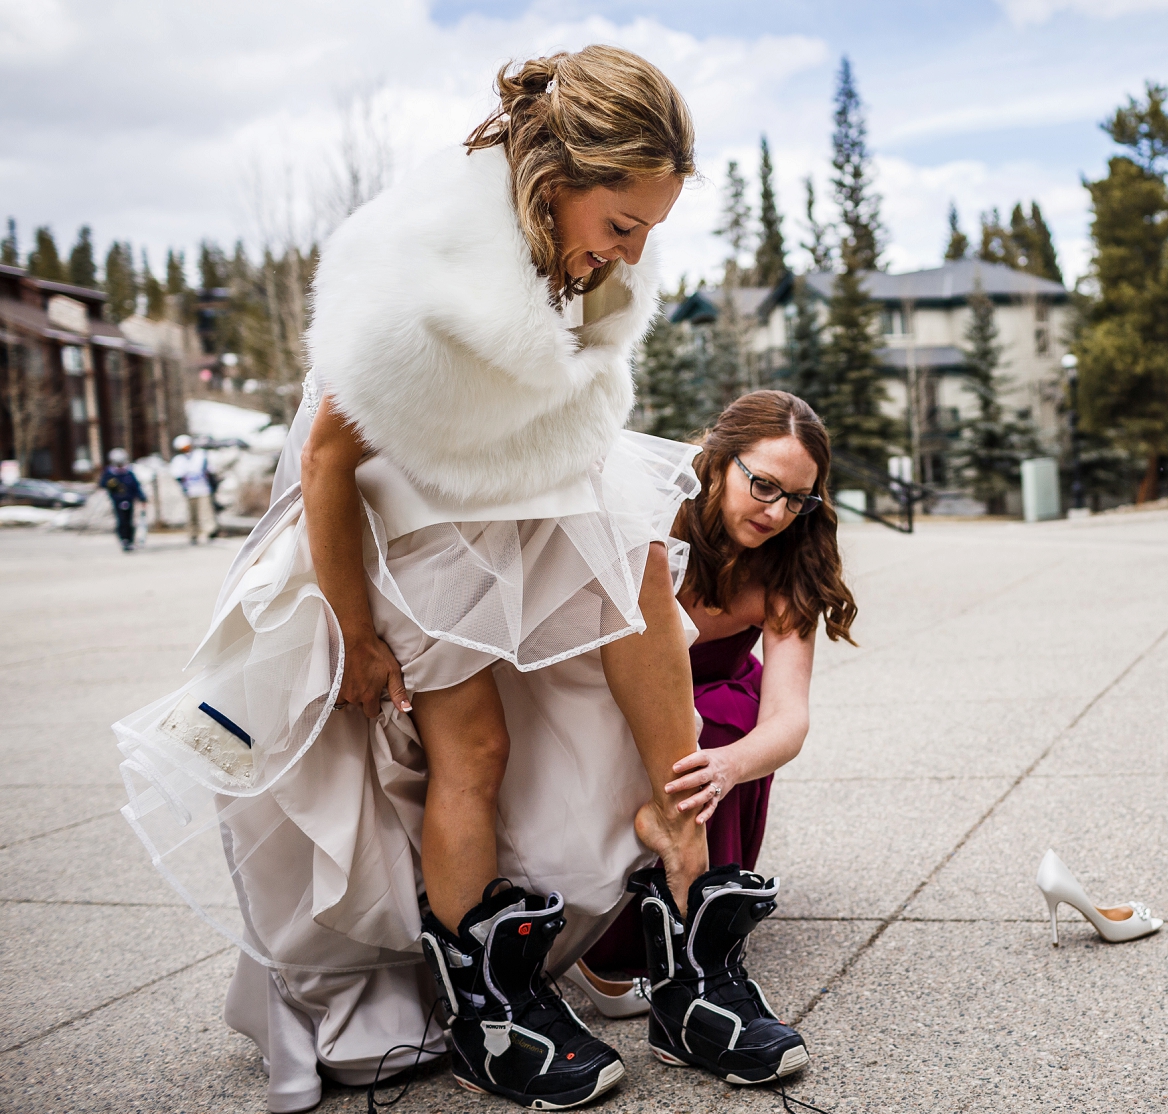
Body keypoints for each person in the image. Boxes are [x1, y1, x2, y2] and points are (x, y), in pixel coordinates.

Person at [113, 47, 802, 1113]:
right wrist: (353, 630)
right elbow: (329, 461)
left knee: (641, 600)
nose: (634, 252)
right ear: (553, 180)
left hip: (532, 459)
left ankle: (687, 937)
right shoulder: (420, 278)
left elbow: (581, 373)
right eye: (623, 225)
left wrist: (612, 257)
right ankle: (490, 1001)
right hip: (411, 498)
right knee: (472, 745)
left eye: (653, 230)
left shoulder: (591, 250)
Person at [579, 391, 857, 988]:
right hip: (608, 699)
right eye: (763, 485)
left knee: (720, 719)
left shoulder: (790, 568)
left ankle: (692, 911)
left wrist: (731, 765)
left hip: (716, 715)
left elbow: (789, 719)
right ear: (717, 459)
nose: (778, 513)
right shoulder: (653, 520)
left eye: (797, 499)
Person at [169, 433, 217, 543]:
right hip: (190, 490)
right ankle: (193, 534)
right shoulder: (179, 460)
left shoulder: (200, 456)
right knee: (191, 514)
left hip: (203, 488)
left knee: (206, 512)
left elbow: (210, 471)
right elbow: (177, 475)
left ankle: (210, 531)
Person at [98, 448, 146, 552]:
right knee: (122, 521)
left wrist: (142, 497)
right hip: (117, 500)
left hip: (129, 499)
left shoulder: (128, 472)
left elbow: (135, 486)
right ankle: (123, 539)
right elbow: (102, 484)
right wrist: (111, 484)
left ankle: (130, 540)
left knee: (130, 521)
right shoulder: (110, 472)